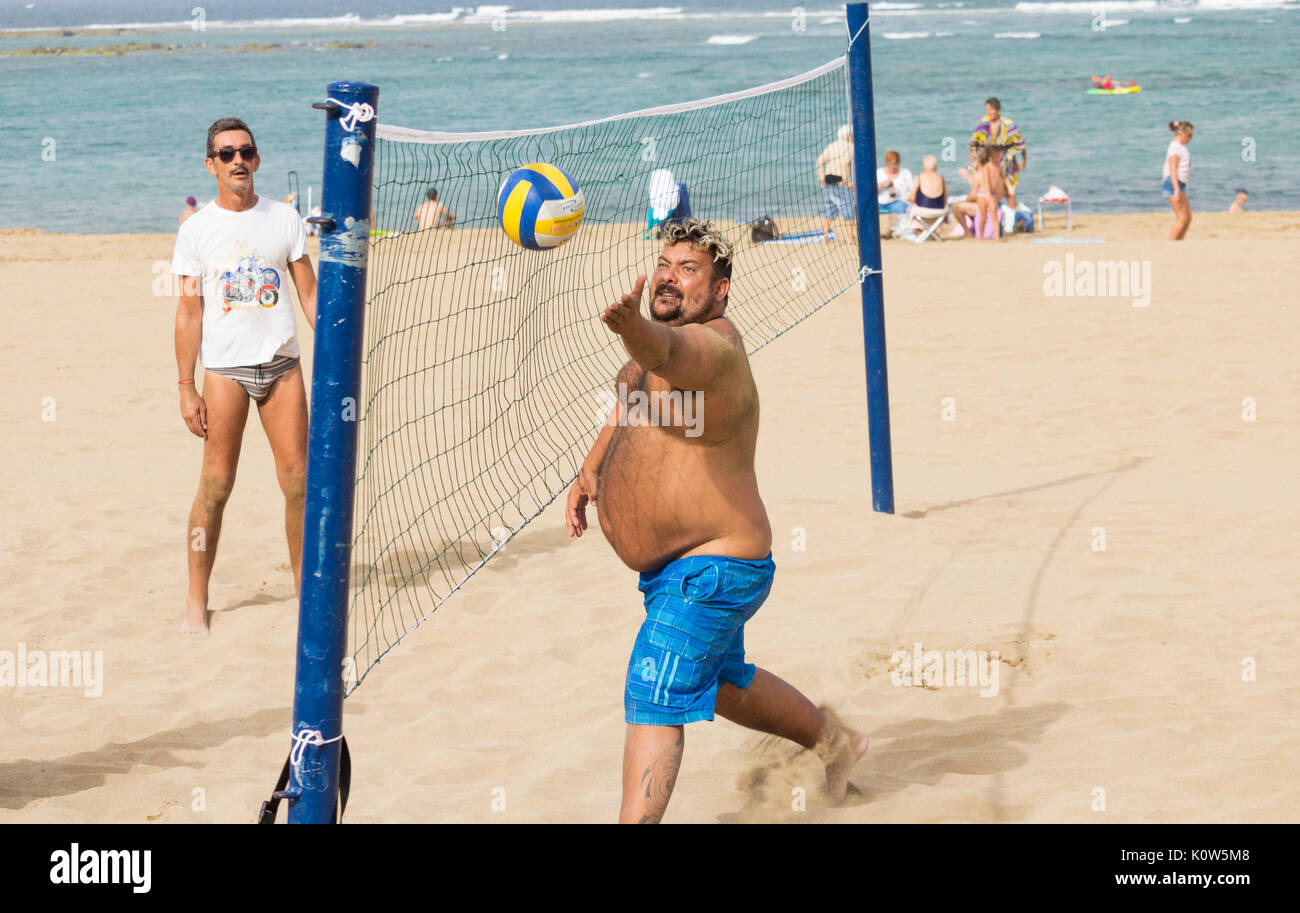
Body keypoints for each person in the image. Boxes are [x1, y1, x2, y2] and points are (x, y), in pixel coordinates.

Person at [566, 218, 869, 823]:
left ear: (720, 290)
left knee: (653, 692)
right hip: (675, 572)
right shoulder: (643, 361)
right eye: (664, 264)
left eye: (689, 269)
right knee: (723, 681)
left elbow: (668, 353)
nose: (669, 277)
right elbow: (627, 395)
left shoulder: (714, 349)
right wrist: (591, 467)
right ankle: (837, 744)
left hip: (715, 567)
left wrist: (634, 329)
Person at [171, 117, 317, 635]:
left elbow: (308, 293)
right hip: (226, 371)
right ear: (210, 164)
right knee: (215, 484)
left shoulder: (284, 219)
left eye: (246, 152)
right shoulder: (196, 230)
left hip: (282, 367)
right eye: (226, 153)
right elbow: (189, 312)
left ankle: (306, 592)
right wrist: (186, 386)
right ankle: (196, 600)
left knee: (299, 482)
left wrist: (340, 345)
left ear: (257, 160)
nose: (238, 161)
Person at [970, 97, 1026, 208]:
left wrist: (1024, 160)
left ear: (998, 110)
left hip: (1005, 160)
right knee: (982, 188)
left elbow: (1020, 143)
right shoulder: (983, 123)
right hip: (986, 161)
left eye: (991, 109)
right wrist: (973, 157)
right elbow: (973, 142)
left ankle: (1013, 215)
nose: (989, 112)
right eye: (987, 109)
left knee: (1008, 192)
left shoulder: (1008, 124)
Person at [815, 124, 856, 243]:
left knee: (829, 210)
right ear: (848, 136)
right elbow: (852, 166)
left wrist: (821, 178)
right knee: (848, 210)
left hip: (828, 182)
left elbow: (819, 161)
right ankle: (850, 237)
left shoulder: (831, 146)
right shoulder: (851, 147)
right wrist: (850, 182)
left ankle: (825, 236)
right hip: (842, 183)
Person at [906, 154, 953, 235]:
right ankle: (934, 232)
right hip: (939, 212)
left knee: (909, 208)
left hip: (922, 211)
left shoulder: (919, 177)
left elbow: (912, 197)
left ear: (923, 166)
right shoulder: (941, 178)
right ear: (936, 166)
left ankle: (920, 232)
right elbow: (945, 198)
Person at [1162, 120, 1194, 240]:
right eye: (1190, 135)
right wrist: (1176, 189)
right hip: (1173, 183)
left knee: (1187, 217)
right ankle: (1171, 245)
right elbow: (1172, 168)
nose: (1191, 138)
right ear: (1182, 134)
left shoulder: (1180, 147)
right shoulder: (1175, 147)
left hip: (1180, 184)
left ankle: (1179, 242)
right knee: (1182, 217)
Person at [876, 150, 913, 236]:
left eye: (895, 164)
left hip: (898, 201)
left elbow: (912, 190)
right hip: (881, 201)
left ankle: (888, 232)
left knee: (899, 206)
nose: (893, 167)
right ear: (886, 162)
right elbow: (873, 191)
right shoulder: (879, 172)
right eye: (890, 164)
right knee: (869, 207)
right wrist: (883, 183)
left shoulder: (905, 172)